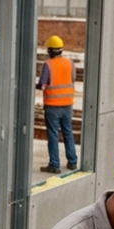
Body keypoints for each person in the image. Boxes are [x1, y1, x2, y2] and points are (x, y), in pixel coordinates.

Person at [37, 35, 78, 174]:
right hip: (67, 105)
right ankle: (72, 162)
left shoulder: (48, 65)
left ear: (49, 51)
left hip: (52, 106)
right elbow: (72, 80)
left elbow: (43, 85)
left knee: (53, 135)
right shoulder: (70, 63)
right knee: (68, 133)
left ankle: (54, 164)